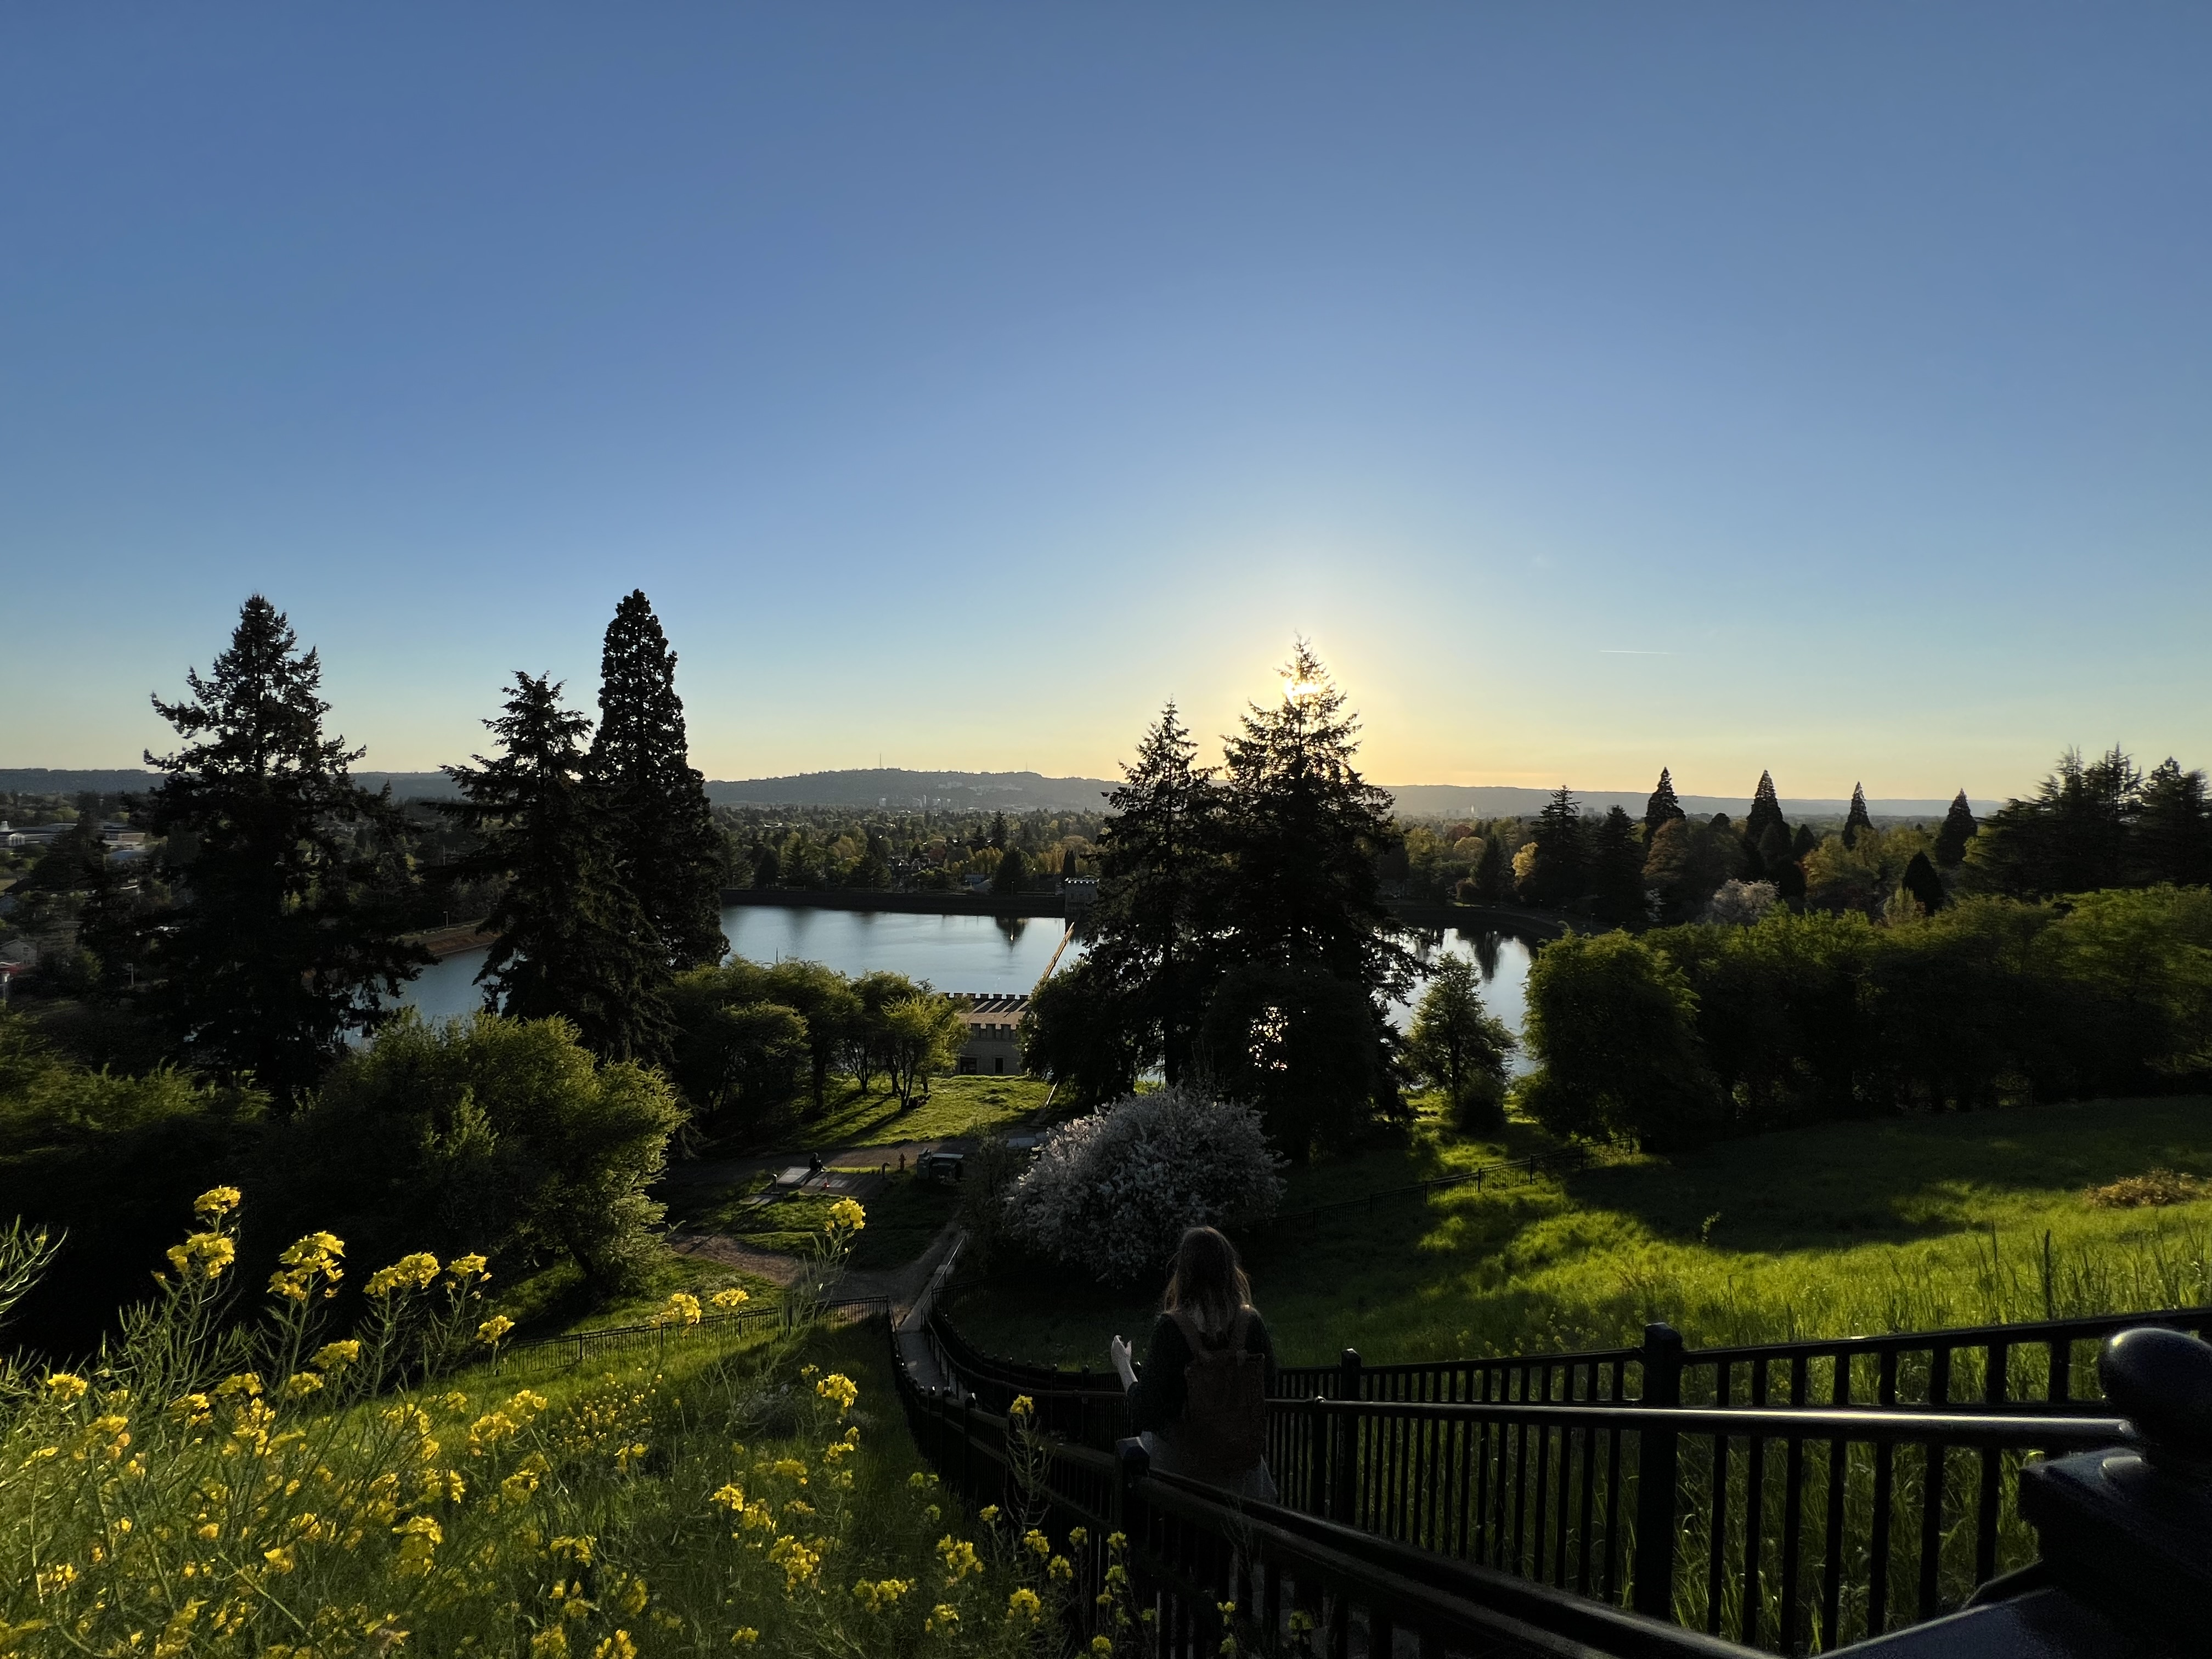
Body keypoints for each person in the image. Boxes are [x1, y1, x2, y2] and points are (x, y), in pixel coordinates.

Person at [1111, 1226, 1278, 1501]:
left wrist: (1123, 1365)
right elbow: (1268, 1388)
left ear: (1184, 1272)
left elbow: (1146, 1413)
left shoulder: (1172, 1329)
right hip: (1244, 1477)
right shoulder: (1251, 1325)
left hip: (1185, 1476)